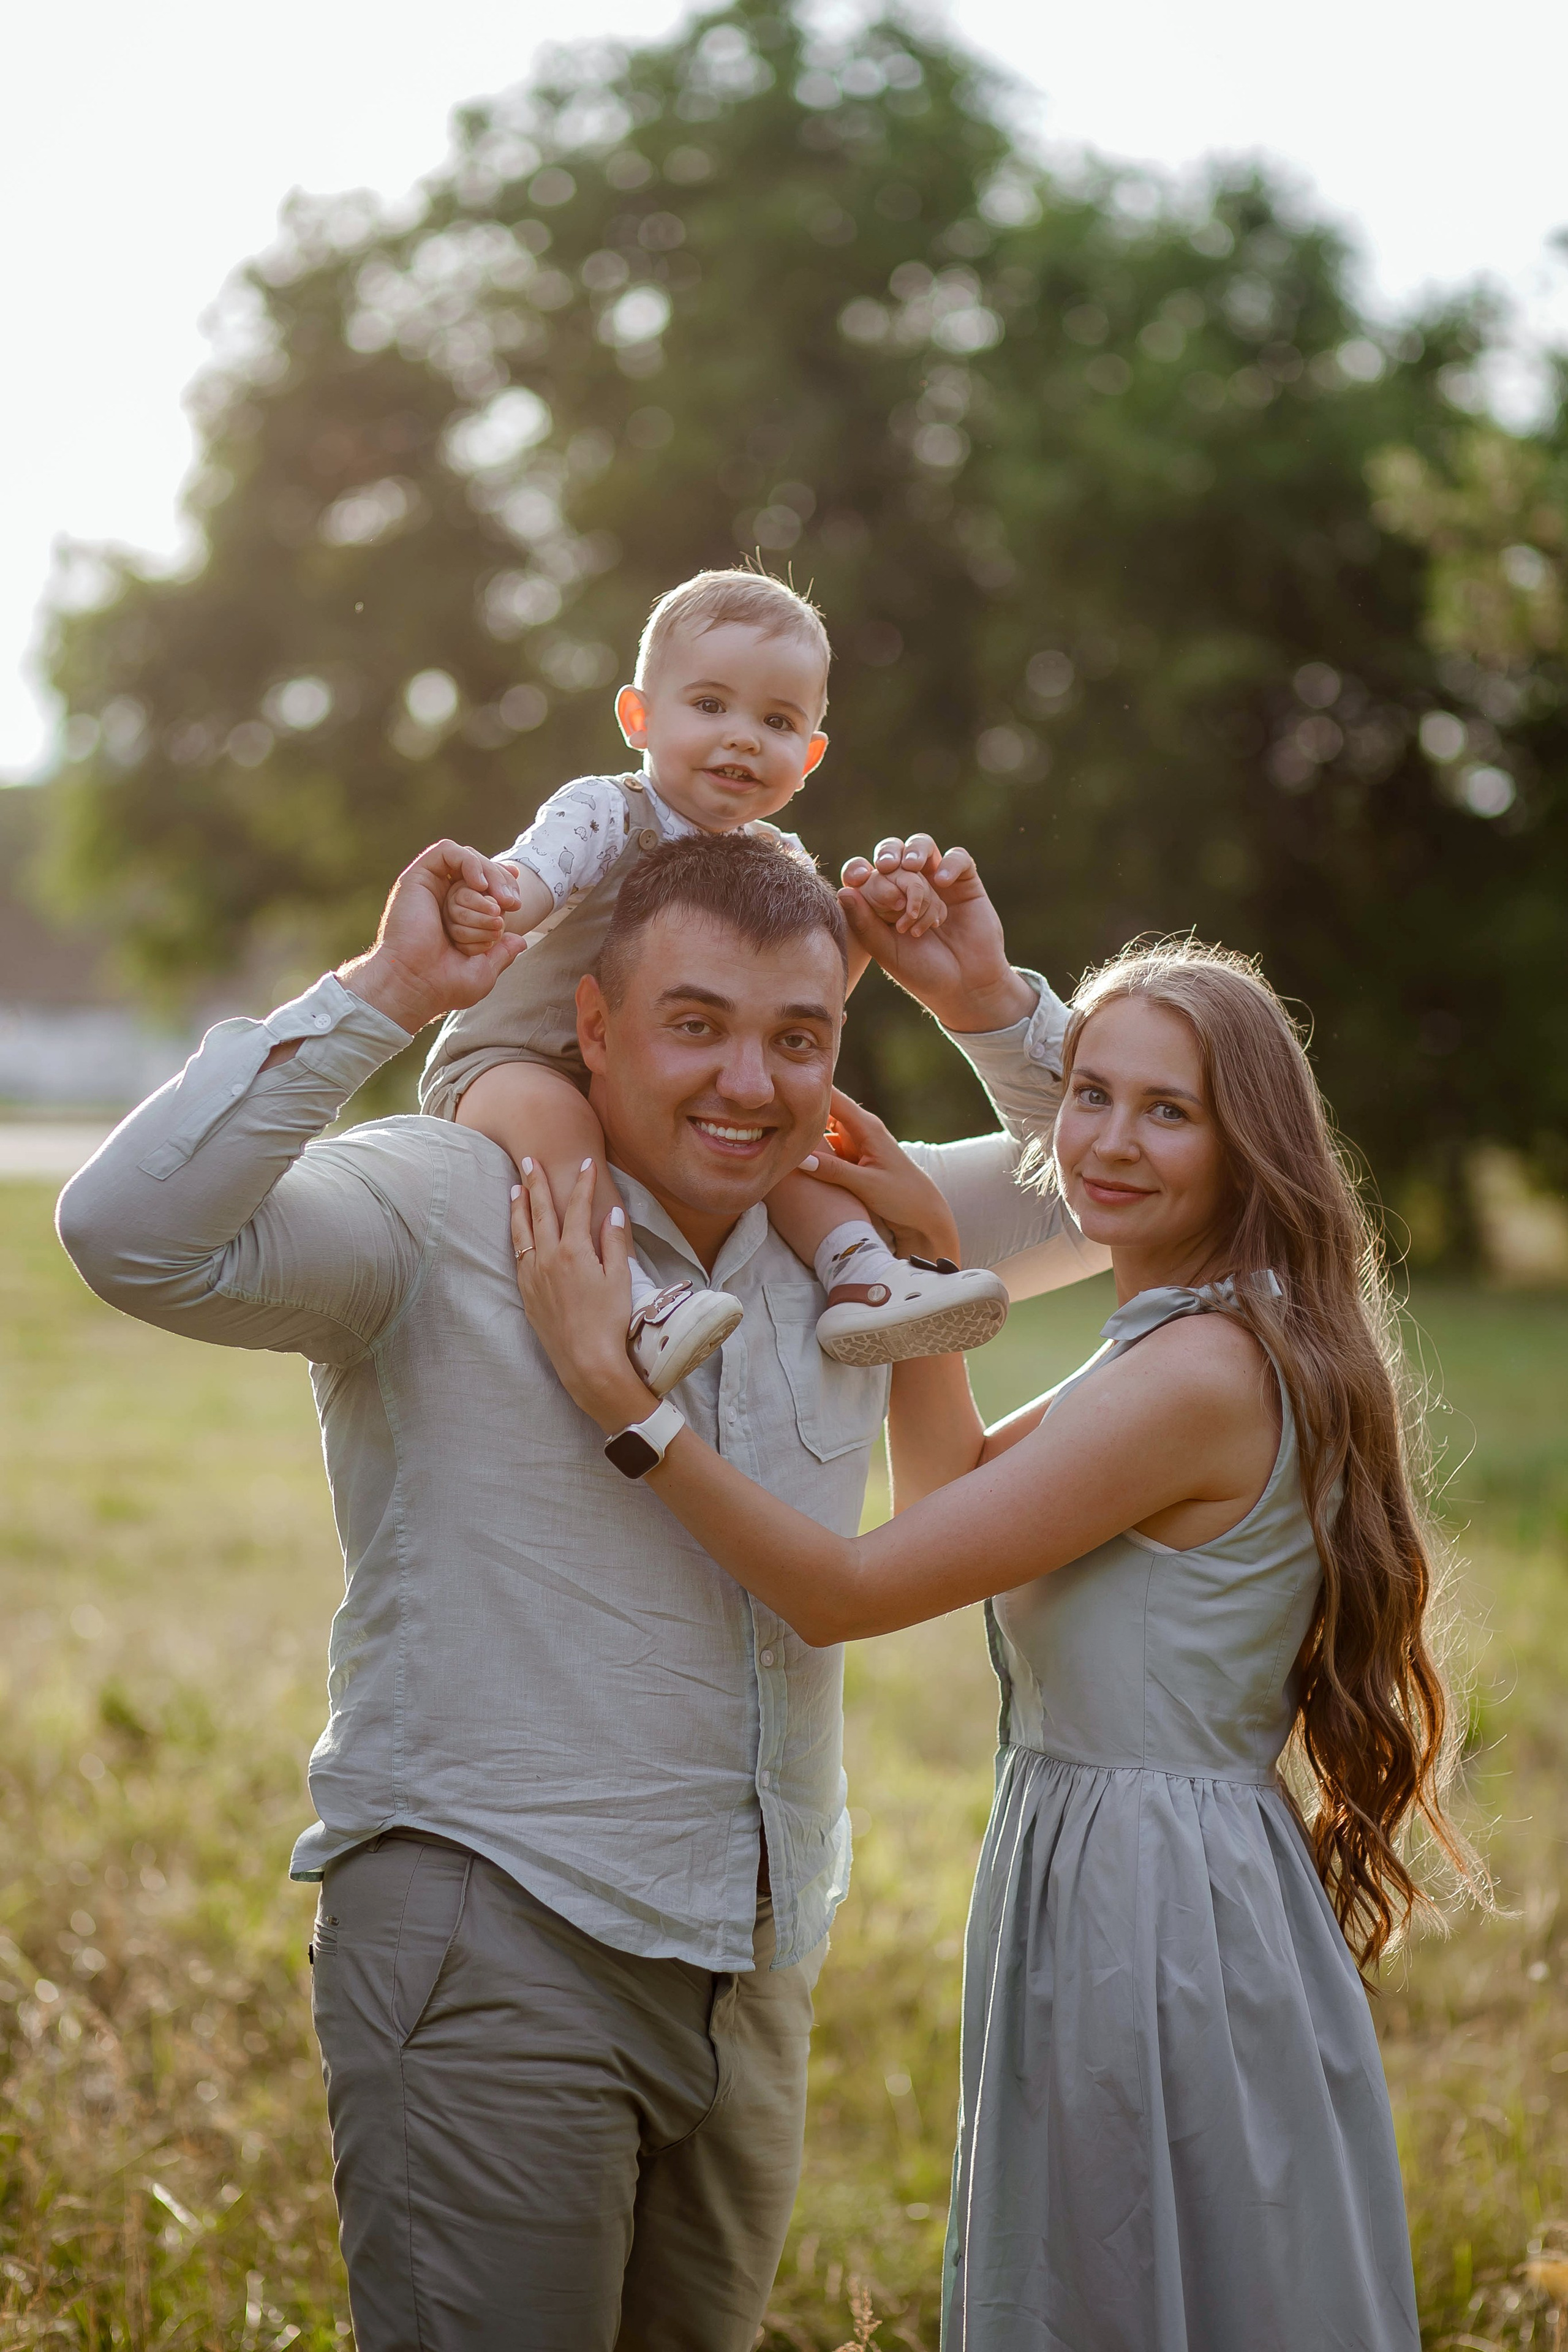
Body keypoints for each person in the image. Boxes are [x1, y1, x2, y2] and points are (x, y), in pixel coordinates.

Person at [55, 824, 1105, 2351]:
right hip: (495, 1922)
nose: (750, 1083)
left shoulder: (851, 1235)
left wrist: (989, 1001)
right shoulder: (437, 1204)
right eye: (695, 1026)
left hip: (751, 1964)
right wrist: (384, 989)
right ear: (592, 1028)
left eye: (795, 1037)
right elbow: (128, 1232)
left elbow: (1129, 1185)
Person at [513, 936, 1479, 2352]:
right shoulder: (1194, 1331)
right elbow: (956, 1500)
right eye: (1086, 1094)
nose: (1105, 1141)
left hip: (1153, 1906)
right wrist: (928, 1269)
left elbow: (845, 1591)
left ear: (1246, 1142)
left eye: (1167, 1110)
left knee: (1142, 2287)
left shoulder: (1204, 1373)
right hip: (1133, 1865)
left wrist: (628, 1406)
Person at [421, 565, 1010, 1392]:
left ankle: (863, 1274)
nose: (741, 737)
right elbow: (535, 878)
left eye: (775, 721)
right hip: (519, 1057)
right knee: (560, 1133)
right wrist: (495, 905)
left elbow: (800, 1007)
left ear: (808, 757)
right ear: (639, 717)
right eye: (710, 706)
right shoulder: (603, 811)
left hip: (666, 1083)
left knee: (795, 1128)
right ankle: (634, 1304)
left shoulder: (784, 864)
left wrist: (882, 925)